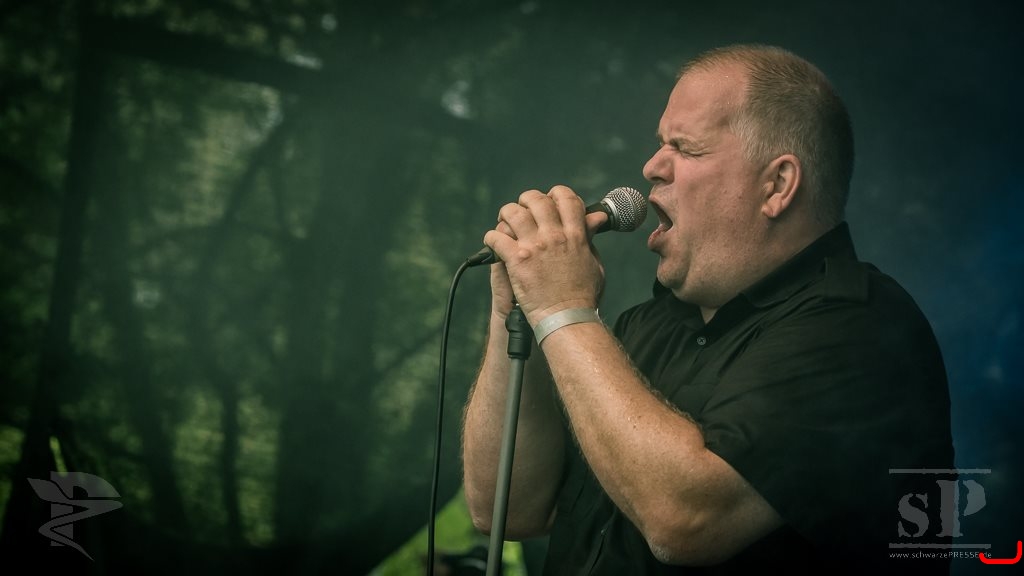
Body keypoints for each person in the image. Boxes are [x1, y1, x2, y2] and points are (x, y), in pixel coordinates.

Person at [460, 44, 954, 574]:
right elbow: (504, 508)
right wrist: (516, 310)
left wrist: (562, 308)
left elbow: (686, 520)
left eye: (685, 149)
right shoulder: (643, 327)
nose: (652, 167)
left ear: (777, 185)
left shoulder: (860, 327)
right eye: (660, 145)